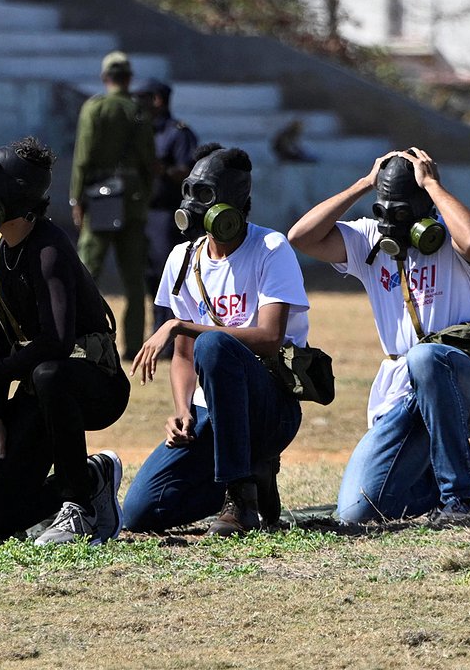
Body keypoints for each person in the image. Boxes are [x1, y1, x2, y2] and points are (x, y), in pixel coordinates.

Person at [288, 148, 470, 524]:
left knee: (426, 357)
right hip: (400, 396)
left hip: (466, 388)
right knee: (355, 514)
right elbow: (301, 237)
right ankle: (429, 485)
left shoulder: (451, 237)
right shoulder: (370, 241)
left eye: (401, 211)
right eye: (382, 210)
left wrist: (433, 184)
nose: (390, 222)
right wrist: (364, 184)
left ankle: (460, 498)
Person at [123, 144, 308, 536]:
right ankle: (247, 480)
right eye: (188, 190)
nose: (191, 203)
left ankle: (241, 502)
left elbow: (270, 338)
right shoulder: (182, 258)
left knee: (215, 344)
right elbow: (184, 357)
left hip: (269, 407)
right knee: (141, 512)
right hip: (212, 413)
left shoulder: (271, 249)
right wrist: (182, 409)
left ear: (237, 204)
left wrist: (179, 326)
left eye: (204, 194)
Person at [0, 137, 129, 545]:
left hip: (94, 386)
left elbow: (56, 341)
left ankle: (81, 508)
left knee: (49, 373)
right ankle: (93, 476)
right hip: (43, 386)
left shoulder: (49, 249)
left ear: (16, 197)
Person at [69, 51, 156, 359]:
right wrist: (142, 196)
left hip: (100, 199)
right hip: (132, 201)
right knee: (134, 278)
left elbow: (83, 157)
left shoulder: (95, 108)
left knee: (85, 273)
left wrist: (76, 198)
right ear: (129, 79)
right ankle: (133, 346)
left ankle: (81, 339)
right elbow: (149, 161)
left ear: (105, 78)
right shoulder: (139, 111)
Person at [133, 77, 198, 349]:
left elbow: (188, 171)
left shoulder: (178, 132)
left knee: (169, 275)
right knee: (150, 276)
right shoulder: (143, 132)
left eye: (144, 99)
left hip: (168, 215)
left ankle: (172, 340)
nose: (139, 105)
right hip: (144, 212)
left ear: (157, 100)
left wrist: (161, 169)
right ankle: (156, 330)